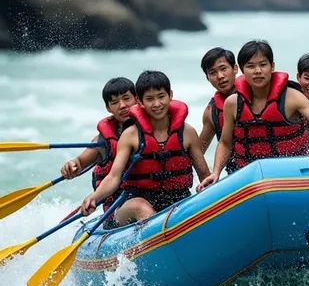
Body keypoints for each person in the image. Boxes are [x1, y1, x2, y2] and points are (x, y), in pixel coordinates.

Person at [197, 40, 309, 191]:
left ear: (272, 66)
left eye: (263, 65)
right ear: (242, 70)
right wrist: (216, 173)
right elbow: (225, 143)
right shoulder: (232, 104)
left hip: (292, 176)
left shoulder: (292, 97)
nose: (257, 71)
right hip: (248, 181)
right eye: (250, 66)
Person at [80, 70, 210, 225]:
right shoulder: (130, 135)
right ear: (140, 102)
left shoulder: (187, 132)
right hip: (133, 204)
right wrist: (94, 198)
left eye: (161, 96)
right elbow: (114, 177)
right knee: (142, 209)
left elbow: (204, 175)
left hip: (177, 200)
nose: (157, 104)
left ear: (170, 95)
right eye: (149, 99)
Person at [60, 77, 137, 209]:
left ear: (137, 99)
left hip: (151, 196)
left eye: (127, 98)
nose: (122, 105)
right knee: (139, 207)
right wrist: (71, 166)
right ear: (108, 108)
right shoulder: (102, 142)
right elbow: (79, 162)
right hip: (118, 208)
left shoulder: (156, 129)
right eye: (114, 102)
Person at [199, 46, 238, 173]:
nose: (220, 76)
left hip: (271, 171)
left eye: (223, 69)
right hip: (238, 176)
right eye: (213, 72)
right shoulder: (211, 112)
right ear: (207, 77)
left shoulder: (257, 95)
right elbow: (198, 153)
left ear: (235, 68)